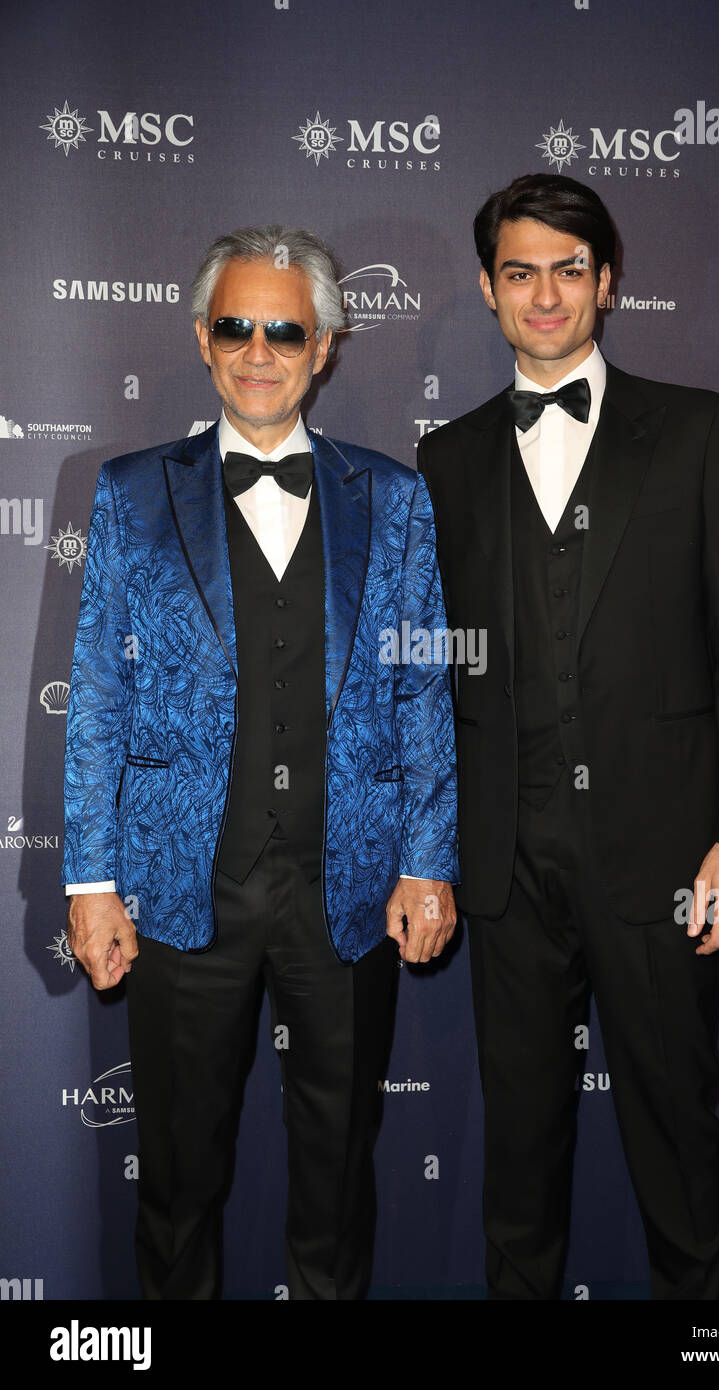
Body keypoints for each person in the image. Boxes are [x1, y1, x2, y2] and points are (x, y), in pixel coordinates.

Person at [62, 224, 458, 1300]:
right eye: (234, 325)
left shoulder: (393, 498)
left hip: (348, 886)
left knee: (337, 1170)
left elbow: (423, 685)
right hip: (183, 888)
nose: (258, 349)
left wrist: (428, 860)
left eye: (285, 328)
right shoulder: (131, 489)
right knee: (179, 1178)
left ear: (323, 345)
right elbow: (97, 688)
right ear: (200, 337)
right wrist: (90, 881)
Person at [417, 174, 719, 1300]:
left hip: (666, 858)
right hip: (507, 867)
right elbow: (428, 675)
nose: (544, 294)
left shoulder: (699, 432)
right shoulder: (445, 461)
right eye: (518, 271)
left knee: (678, 1155)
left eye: (567, 269)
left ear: (606, 281)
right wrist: (425, 850)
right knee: (517, 1173)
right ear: (485, 288)